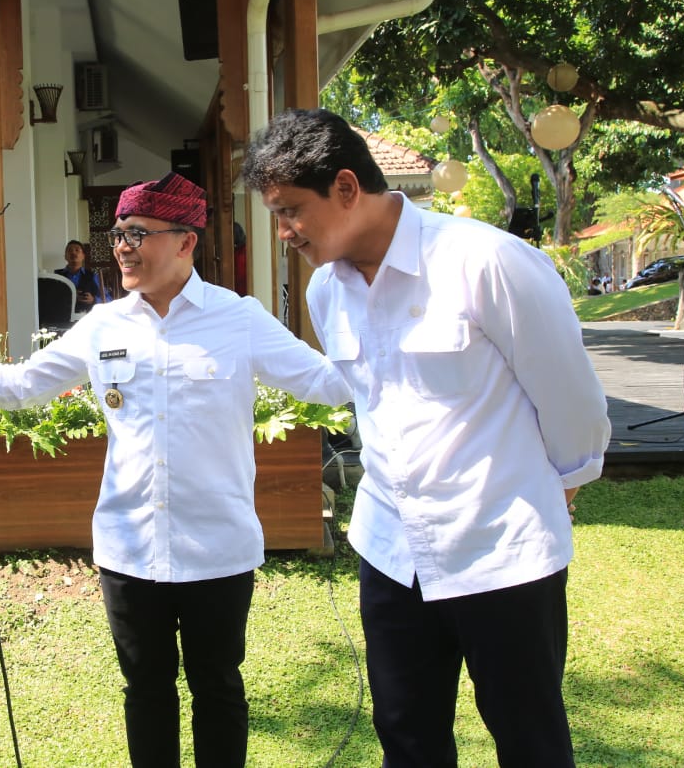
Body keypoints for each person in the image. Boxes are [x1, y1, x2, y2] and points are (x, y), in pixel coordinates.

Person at [0, 172, 349, 767]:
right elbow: (28, 383)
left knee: (217, 688)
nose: (123, 247)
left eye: (138, 233)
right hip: (130, 550)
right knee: (146, 691)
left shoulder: (239, 318)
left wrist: (385, 332)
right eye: (119, 233)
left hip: (218, 548)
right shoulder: (104, 325)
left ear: (185, 241)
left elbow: (325, 380)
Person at [241, 108, 611, 768]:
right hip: (392, 552)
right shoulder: (328, 290)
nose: (284, 231)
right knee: (407, 740)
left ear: (347, 187)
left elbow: (570, 397)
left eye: (291, 209)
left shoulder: (486, 262)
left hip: (501, 549)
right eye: (275, 213)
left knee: (531, 741)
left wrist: (566, 481)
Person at [56, 238, 110, 312]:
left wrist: (94, 300)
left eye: (77, 250)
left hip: (87, 318)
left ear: (83, 256)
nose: (73, 253)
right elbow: (51, 300)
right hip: (62, 319)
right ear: (65, 256)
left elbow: (108, 299)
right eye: (70, 250)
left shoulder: (93, 276)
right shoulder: (57, 276)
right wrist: (70, 297)